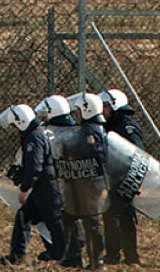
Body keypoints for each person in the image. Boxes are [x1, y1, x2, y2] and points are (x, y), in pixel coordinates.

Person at [0, 103, 66, 266]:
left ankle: (63, 254)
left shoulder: (33, 138)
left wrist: (24, 189)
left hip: (46, 186)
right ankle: (19, 254)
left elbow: (35, 167)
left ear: (21, 122)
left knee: (53, 220)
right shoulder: (35, 134)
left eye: (14, 126)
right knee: (26, 215)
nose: (14, 130)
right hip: (44, 185)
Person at [35, 95, 87, 268]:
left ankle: (63, 249)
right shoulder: (77, 130)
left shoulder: (49, 133)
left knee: (56, 213)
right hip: (75, 181)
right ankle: (75, 244)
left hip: (59, 181)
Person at [100, 89, 143, 266]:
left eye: (105, 106)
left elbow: (135, 153)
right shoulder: (109, 126)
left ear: (114, 106)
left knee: (124, 217)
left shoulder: (127, 127)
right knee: (110, 216)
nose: (102, 110)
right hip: (113, 179)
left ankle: (130, 256)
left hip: (124, 179)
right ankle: (114, 254)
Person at [66, 92, 108, 270]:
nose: (76, 114)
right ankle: (92, 259)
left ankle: (97, 261)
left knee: (92, 221)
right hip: (92, 182)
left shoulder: (88, 131)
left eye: (78, 111)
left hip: (89, 183)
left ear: (86, 110)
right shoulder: (97, 128)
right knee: (90, 220)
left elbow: (89, 156)